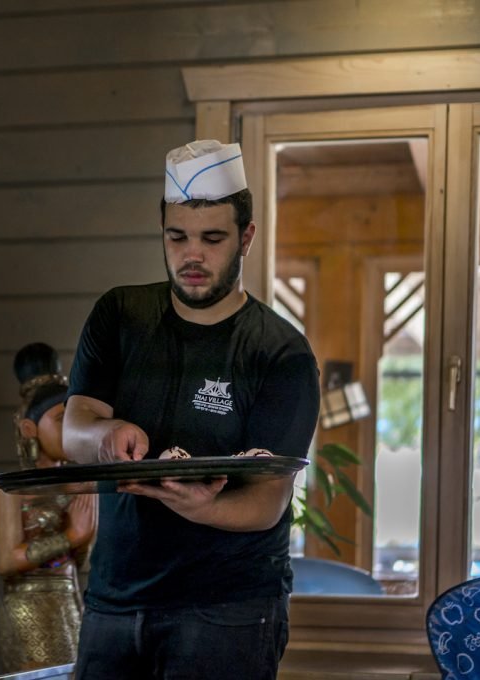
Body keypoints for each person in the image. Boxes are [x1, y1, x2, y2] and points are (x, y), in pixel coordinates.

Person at [62, 140, 320, 679]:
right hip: (115, 598)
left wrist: (199, 506)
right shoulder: (120, 314)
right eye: (176, 237)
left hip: (227, 608)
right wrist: (106, 434)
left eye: (212, 238)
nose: (192, 256)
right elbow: (74, 428)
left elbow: (266, 504)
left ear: (246, 238)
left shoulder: (280, 353)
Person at [0, 343, 97, 672]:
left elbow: (81, 560)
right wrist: (71, 535)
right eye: (60, 419)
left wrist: (85, 526)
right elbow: (7, 561)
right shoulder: (14, 488)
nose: (69, 429)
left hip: (70, 598)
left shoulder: (74, 482)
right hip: (29, 605)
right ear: (30, 428)